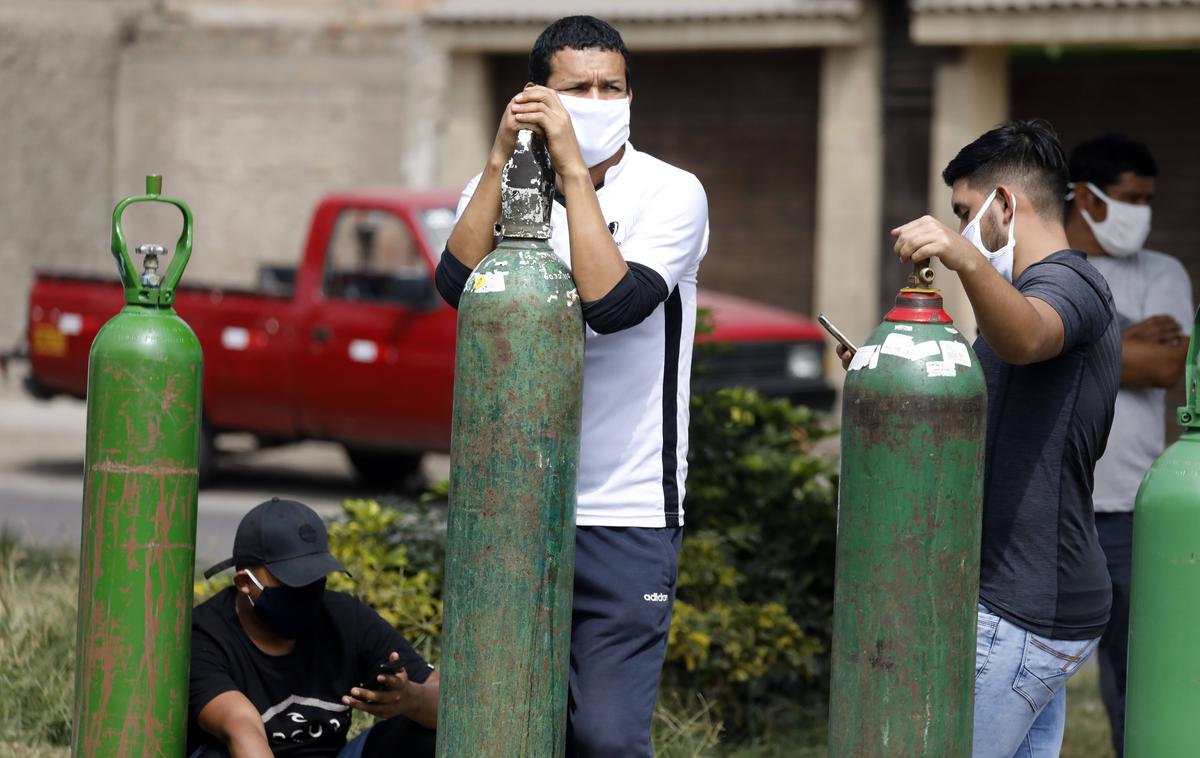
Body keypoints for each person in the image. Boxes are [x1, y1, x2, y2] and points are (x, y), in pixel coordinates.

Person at [435, 15, 708, 757]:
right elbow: (456, 286)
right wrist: (501, 158)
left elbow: (613, 305)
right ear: (534, 95)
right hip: (513, 503)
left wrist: (571, 172)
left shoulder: (672, 194)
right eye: (576, 88)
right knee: (505, 719)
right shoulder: (500, 187)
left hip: (626, 510)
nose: (596, 99)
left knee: (606, 738)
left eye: (610, 87)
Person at [840, 120, 1120, 757]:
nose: (962, 229)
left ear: (1005, 204)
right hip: (1019, 601)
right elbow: (981, 421)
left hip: (1022, 608)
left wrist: (961, 257)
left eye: (966, 213)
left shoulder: (1069, 284)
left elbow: (1029, 338)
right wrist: (890, 379)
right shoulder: (1018, 295)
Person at [1064, 133, 1192, 757]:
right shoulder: (1044, 267)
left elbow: (1168, 367)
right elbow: (1015, 352)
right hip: (1052, 504)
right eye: (1129, 198)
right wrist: (1124, 340)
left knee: (1137, 676)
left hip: (1130, 509)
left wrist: (1067, 343)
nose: (1142, 211)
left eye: (1148, 199)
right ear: (1085, 198)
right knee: (1028, 669)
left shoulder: (1163, 271)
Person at [187, 497, 439, 758]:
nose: (307, 592)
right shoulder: (205, 636)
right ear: (244, 583)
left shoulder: (345, 618)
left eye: (315, 577)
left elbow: (450, 704)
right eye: (292, 581)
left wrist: (412, 698)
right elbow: (241, 727)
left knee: (424, 736)